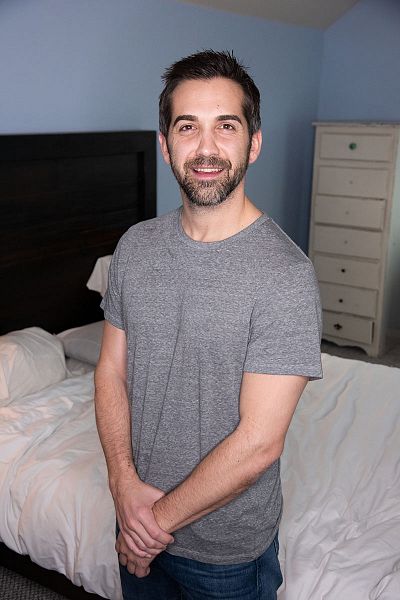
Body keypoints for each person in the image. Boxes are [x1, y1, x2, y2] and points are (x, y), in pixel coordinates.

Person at [94, 49, 322, 600]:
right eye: (187, 126)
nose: (206, 148)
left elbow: (259, 443)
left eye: (226, 126)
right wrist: (123, 486)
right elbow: (110, 371)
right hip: (135, 511)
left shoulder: (286, 275)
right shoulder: (135, 248)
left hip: (226, 556)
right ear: (165, 144)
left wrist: (149, 527)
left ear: (254, 143)